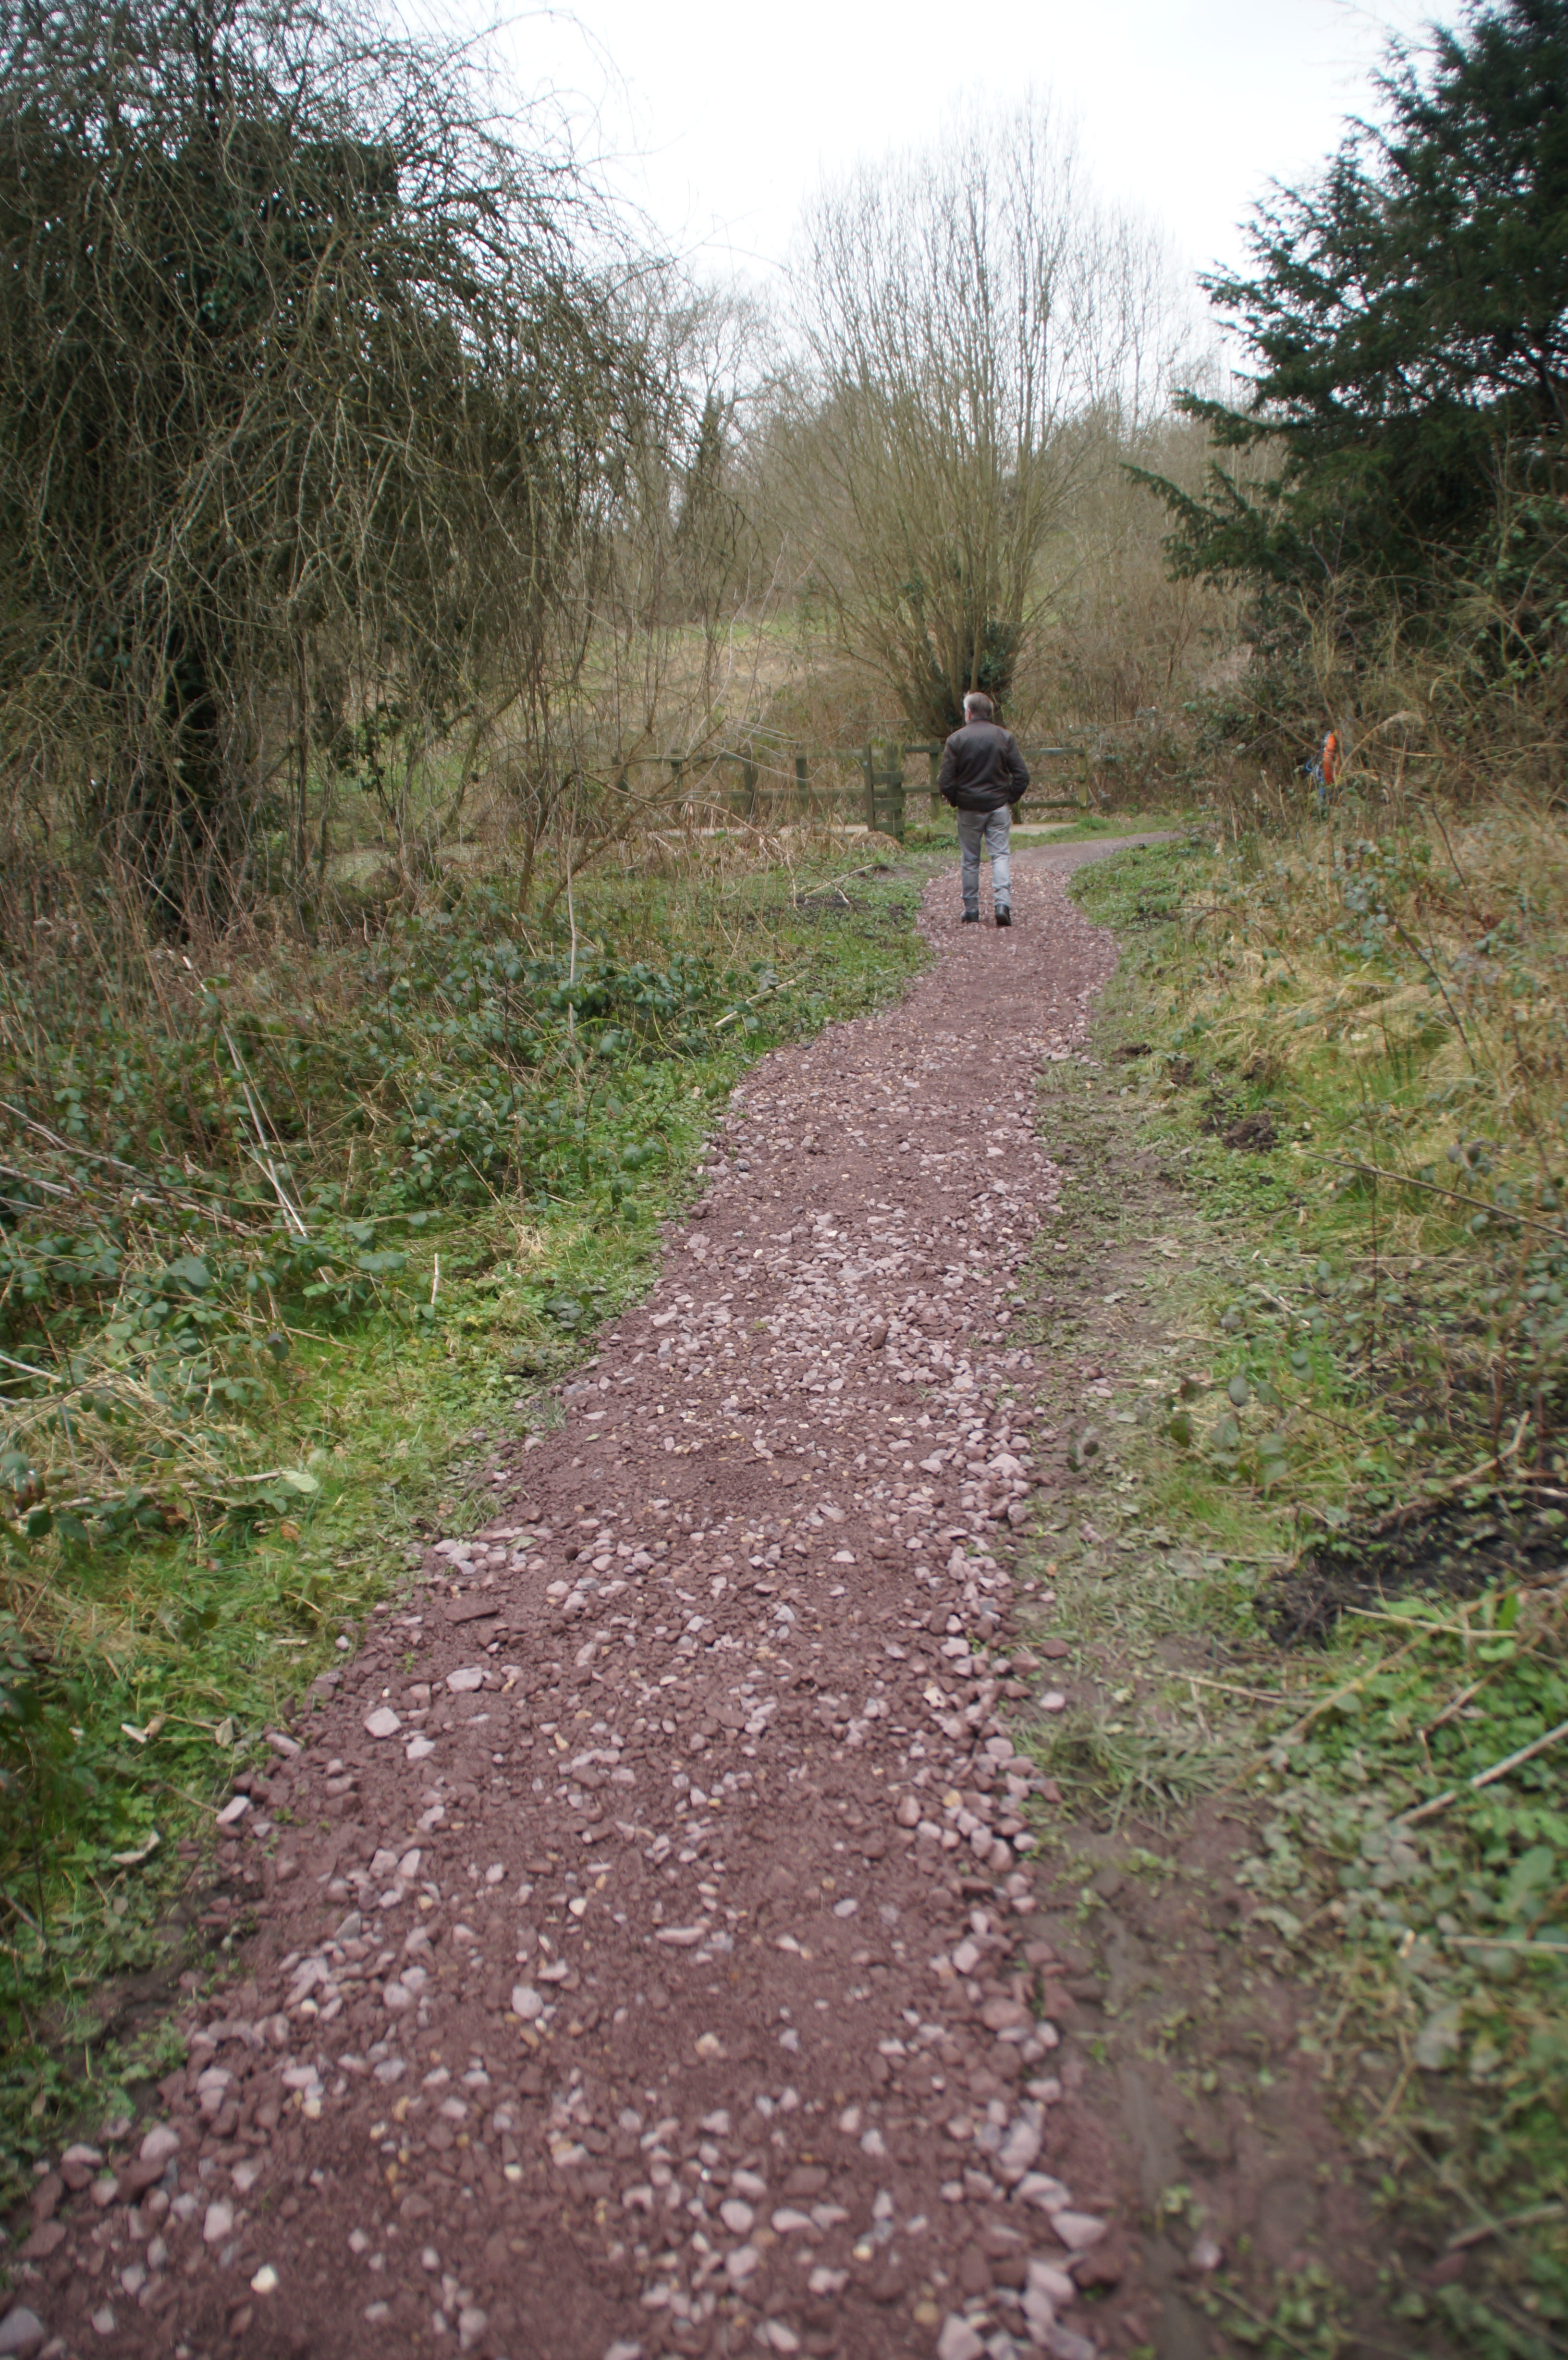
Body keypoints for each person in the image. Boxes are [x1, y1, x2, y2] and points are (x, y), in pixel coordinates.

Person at [937, 691, 1030, 927]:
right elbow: (1022, 775)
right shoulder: (1004, 737)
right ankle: (1002, 905)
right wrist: (1008, 798)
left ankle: (971, 910)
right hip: (998, 806)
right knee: (1000, 855)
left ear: (968, 713)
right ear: (989, 712)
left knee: (970, 860)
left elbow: (945, 781)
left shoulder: (956, 740)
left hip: (969, 809)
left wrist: (957, 800)